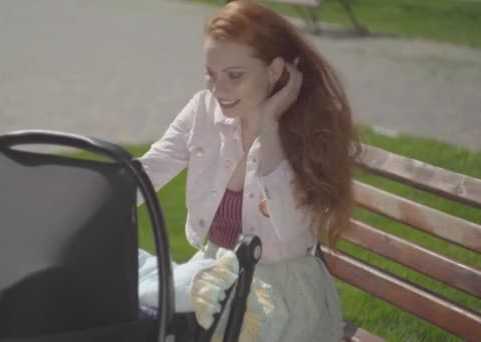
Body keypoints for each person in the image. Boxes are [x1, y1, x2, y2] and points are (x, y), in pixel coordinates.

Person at [137, 0, 361, 340]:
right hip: (216, 276)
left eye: (234, 76)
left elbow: (290, 228)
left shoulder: (308, 134)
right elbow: (147, 171)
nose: (217, 89)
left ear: (274, 71)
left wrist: (269, 127)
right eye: (211, 74)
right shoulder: (203, 111)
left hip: (282, 294)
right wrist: (79, 207)